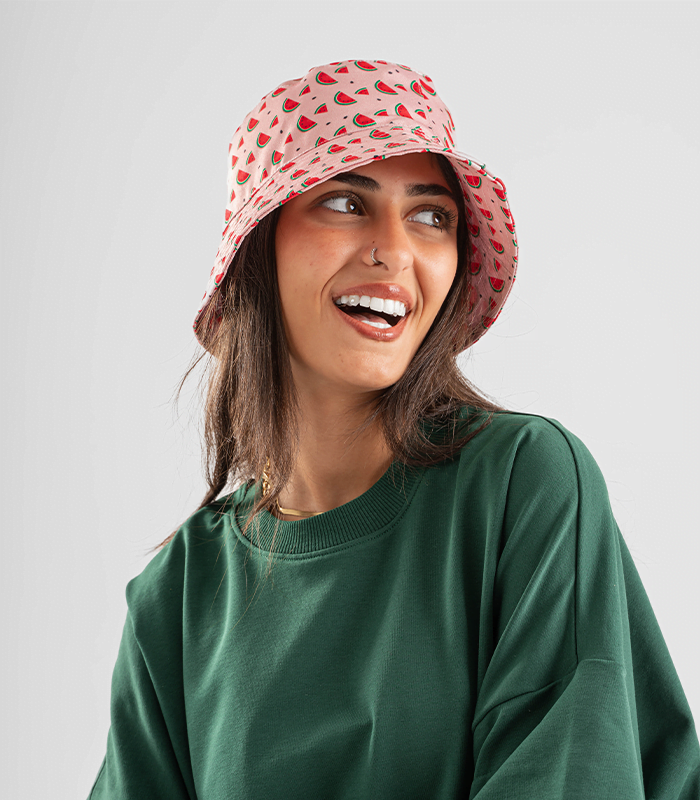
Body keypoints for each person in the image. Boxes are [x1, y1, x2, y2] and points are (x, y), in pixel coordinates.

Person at [88, 59, 700, 799]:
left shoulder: (523, 483)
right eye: (346, 202)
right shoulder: (179, 593)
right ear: (259, 248)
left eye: (432, 217)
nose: (396, 249)